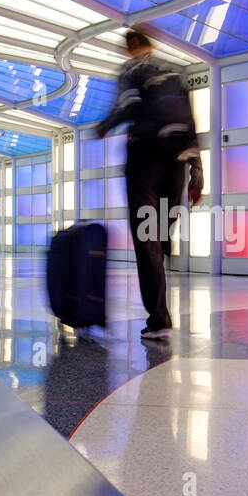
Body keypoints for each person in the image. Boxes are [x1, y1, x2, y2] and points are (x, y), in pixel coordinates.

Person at [94, 29, 204, 342]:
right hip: (178, 163)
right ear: (151, 44)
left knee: (147, 241)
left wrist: (104, 126)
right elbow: (192, 126)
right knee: (161, 234)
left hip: (145, 162)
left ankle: (159, 320)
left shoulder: (132, 70)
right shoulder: (176, 72)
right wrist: (197, 176)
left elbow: (127, 106)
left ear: (131, 46)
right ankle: (160, 261)